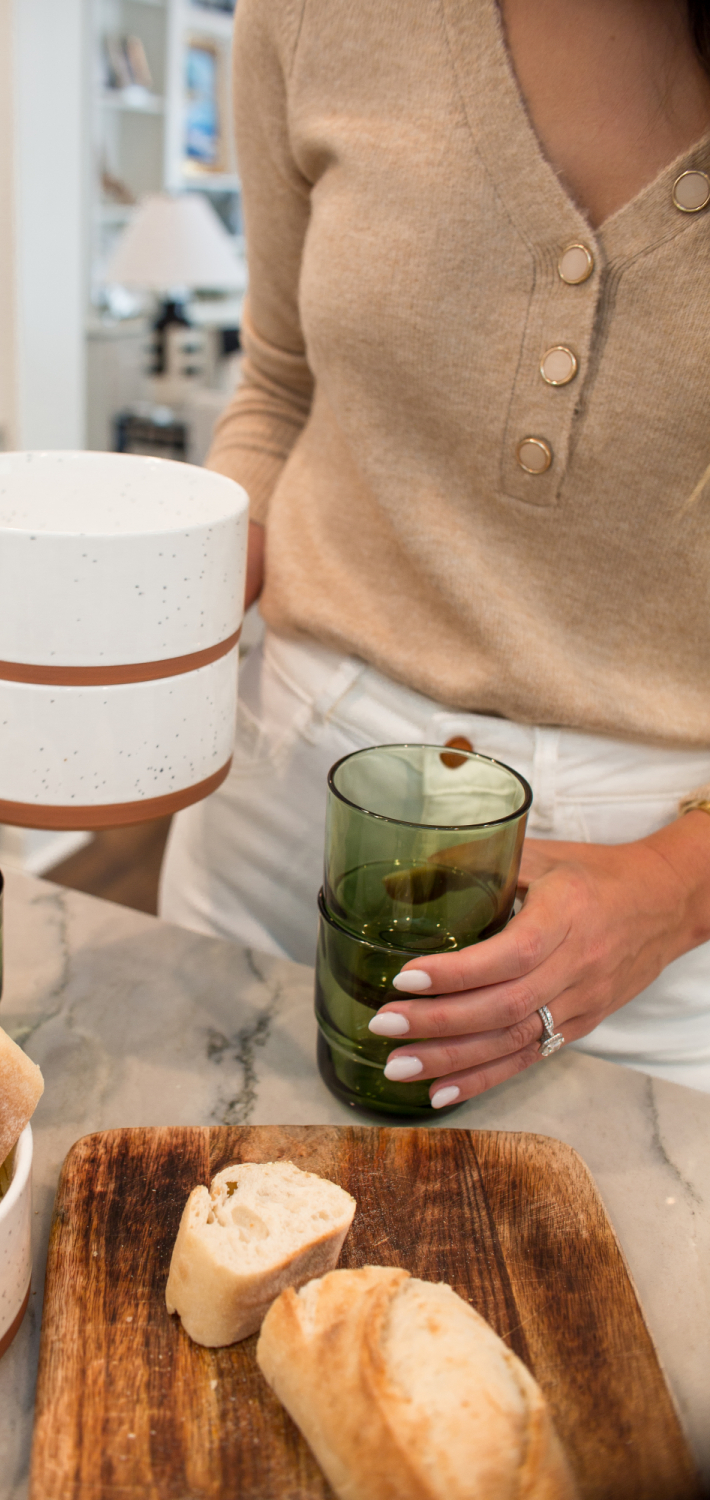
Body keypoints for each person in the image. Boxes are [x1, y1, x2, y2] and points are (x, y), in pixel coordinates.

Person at [159, 0, 710, 1105]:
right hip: (284, 796)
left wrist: (675, 891)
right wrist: (154, 643)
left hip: (652, 910)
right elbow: (275, 385)